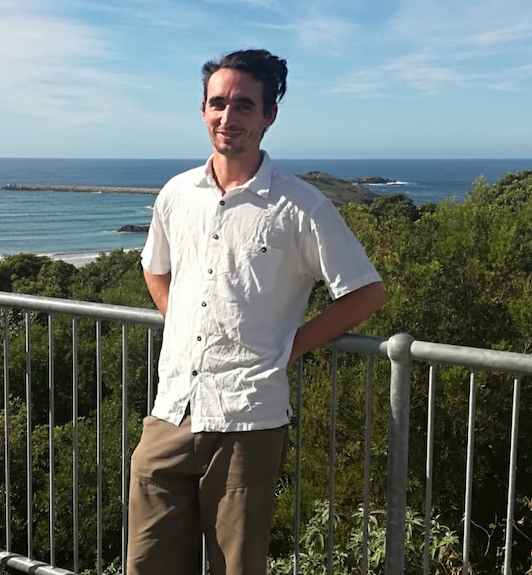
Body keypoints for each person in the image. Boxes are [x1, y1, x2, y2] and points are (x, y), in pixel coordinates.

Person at [128, 48, 386, 575]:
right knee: (146, 564)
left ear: (268, 115)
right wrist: (178, 319)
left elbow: (365, 292)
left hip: (247, 419)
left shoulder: (301, 206)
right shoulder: (177, 194)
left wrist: (292, 346)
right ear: (202, 110)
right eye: (218, 103)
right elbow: (155, 268)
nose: (228, 117)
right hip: (169, 412)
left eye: (244, 105)